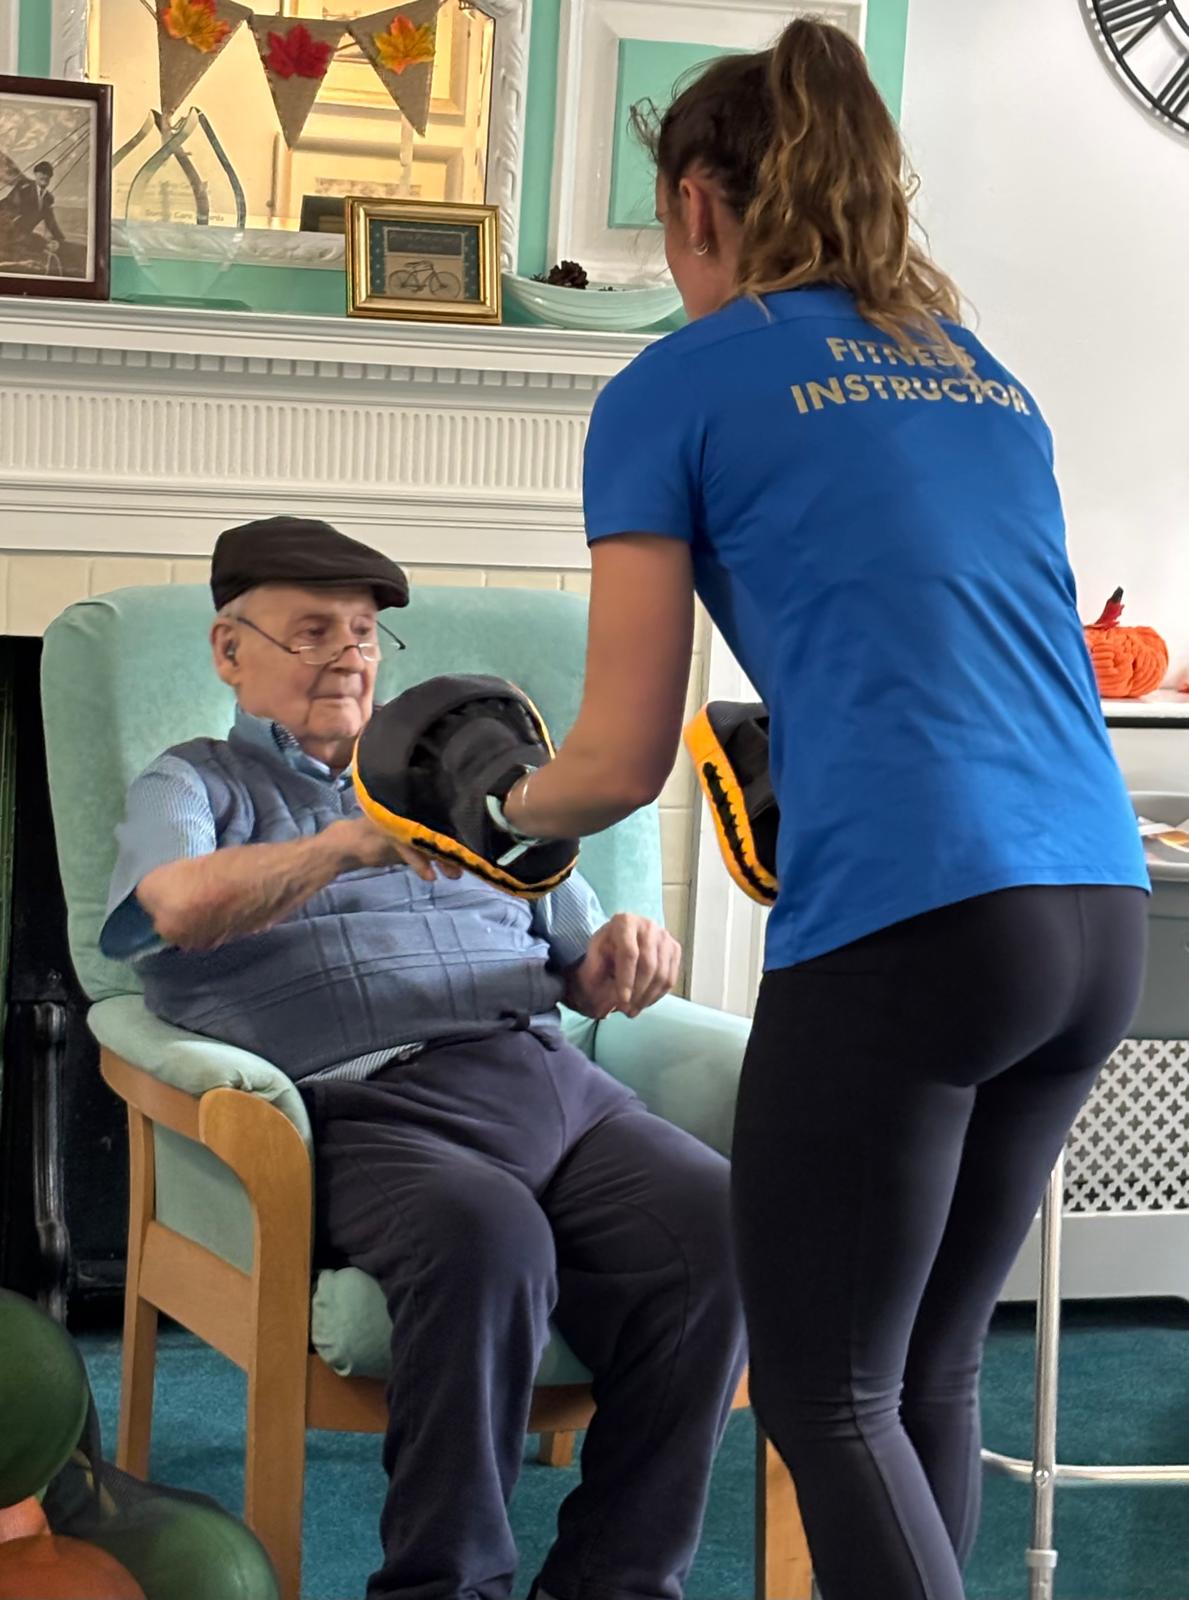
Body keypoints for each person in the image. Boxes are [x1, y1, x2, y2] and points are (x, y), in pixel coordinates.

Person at [489, 21, 1150, 1600]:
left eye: (666, 226)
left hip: (916, 918)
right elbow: (978, 646)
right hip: (1097, 910)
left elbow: (618, 760)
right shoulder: (979, 373)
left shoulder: (676, 382)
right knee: (925, 1367)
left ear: (702, 207)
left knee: (823, 1390)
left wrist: (482, 803)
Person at [100, 515, 746, 1600]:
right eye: (312, 632)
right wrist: (344, 838)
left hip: (550, 1079)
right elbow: (171, 906)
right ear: (230, 650)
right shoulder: (195, 782)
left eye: (362, 633)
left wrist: (626, 951)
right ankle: (444, 1586)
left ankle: (617, 1582)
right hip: (368, 1104)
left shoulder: (473, 783)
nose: (350, 656)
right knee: (486, 1239)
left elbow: (583, 969)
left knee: (723, 1227)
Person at [0, 160, 64, 264]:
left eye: (48, 174)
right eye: (42, 173)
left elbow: (51, 222)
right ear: (35, 174)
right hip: (7, 233)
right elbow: (8, 206)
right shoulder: (24, 189)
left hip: (23, 236)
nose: (45, 176)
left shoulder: (48, 198)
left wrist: (59, 239)